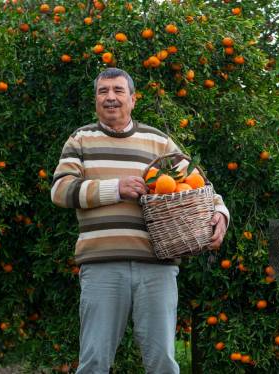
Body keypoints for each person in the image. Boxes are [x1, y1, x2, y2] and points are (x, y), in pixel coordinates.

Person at [50, 67, 230, 374]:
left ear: (133, 99)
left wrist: (220, 212)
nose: (110, 97)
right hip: (102, 266)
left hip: (156, 266)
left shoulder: (157, 141)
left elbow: (195, 183)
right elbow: (60, 190)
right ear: (95, 100)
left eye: (118, 91)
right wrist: (115, 188)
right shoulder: (80, 140)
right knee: (94, 361)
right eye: (103, 91)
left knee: (162, 362)